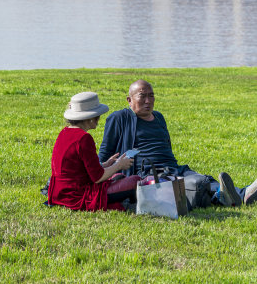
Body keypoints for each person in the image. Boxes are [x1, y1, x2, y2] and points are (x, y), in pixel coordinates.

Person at [98, 79, 257, 207]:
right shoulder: (120, 118)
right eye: (142, 96)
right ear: (129, 100)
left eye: (151, 95)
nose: (148, 100)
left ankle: (243, 194)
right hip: (147, 173)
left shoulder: (158, 117)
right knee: (195, 184)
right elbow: (105, 153)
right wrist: (102, 174)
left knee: (203, 179)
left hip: (173, 168)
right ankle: (221, 197)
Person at [48, 91, 141, 212]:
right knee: (134, 180)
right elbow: (97, 178)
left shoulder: (64, 132)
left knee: (119, 177)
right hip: (76, 195)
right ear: (90, 118)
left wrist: (105, 164)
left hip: (59, 193)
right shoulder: (84, 138)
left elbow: (78, 169)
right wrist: (119, 165)